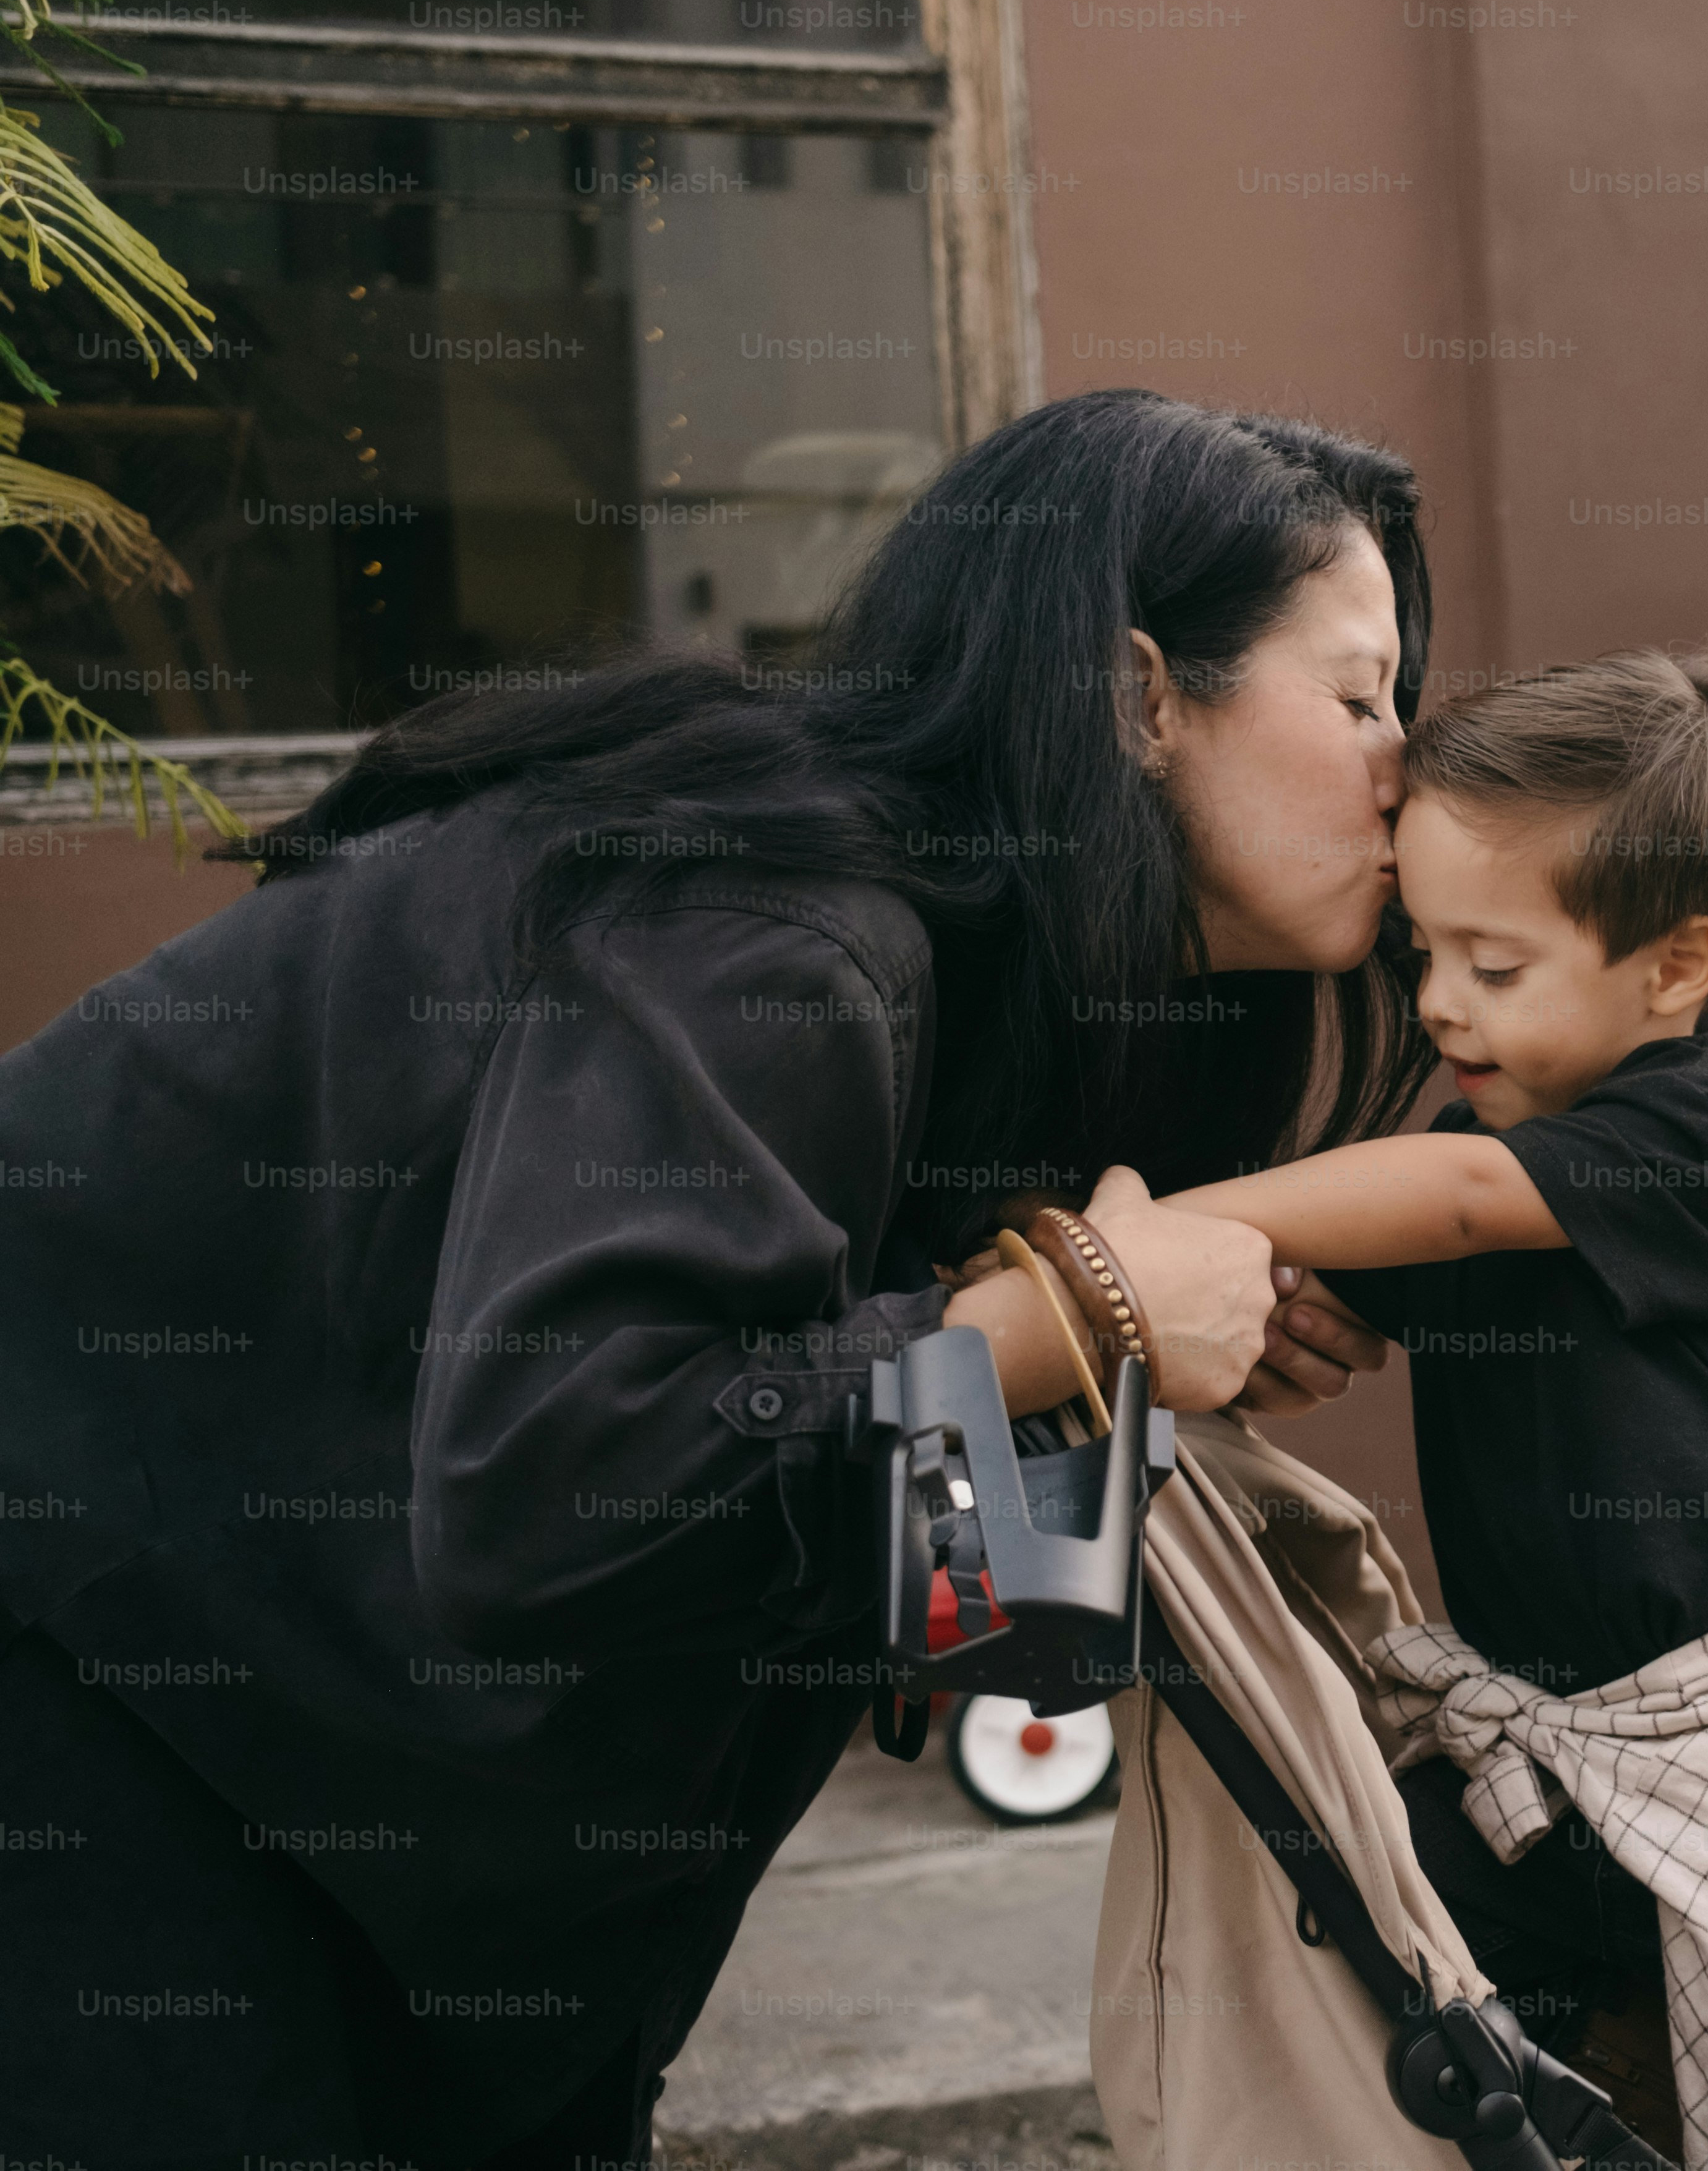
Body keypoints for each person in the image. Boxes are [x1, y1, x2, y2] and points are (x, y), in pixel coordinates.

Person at [0, 391, 1450, 2162]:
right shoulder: (770, 921)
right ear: (1141, 694)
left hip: (386, 1820)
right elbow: (559, 1487)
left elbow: (929, 1613)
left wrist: (1098, 1397)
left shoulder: (1012, 997)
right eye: (1363, 694)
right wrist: (1068, 1311)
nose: (1410, 762)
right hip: (111, 1682)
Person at [1163, 650, 1708, 2171]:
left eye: (1491, 967)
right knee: (1436, 2001)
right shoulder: (1481, 1133)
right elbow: (1340, 1299)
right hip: (1562, 1760)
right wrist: (1248, 1316)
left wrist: (1172, 1225)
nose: (1439, 1001)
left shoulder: (1701, 1126)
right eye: (1417, 949)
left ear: (1675, 968)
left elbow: (1440, 1207)